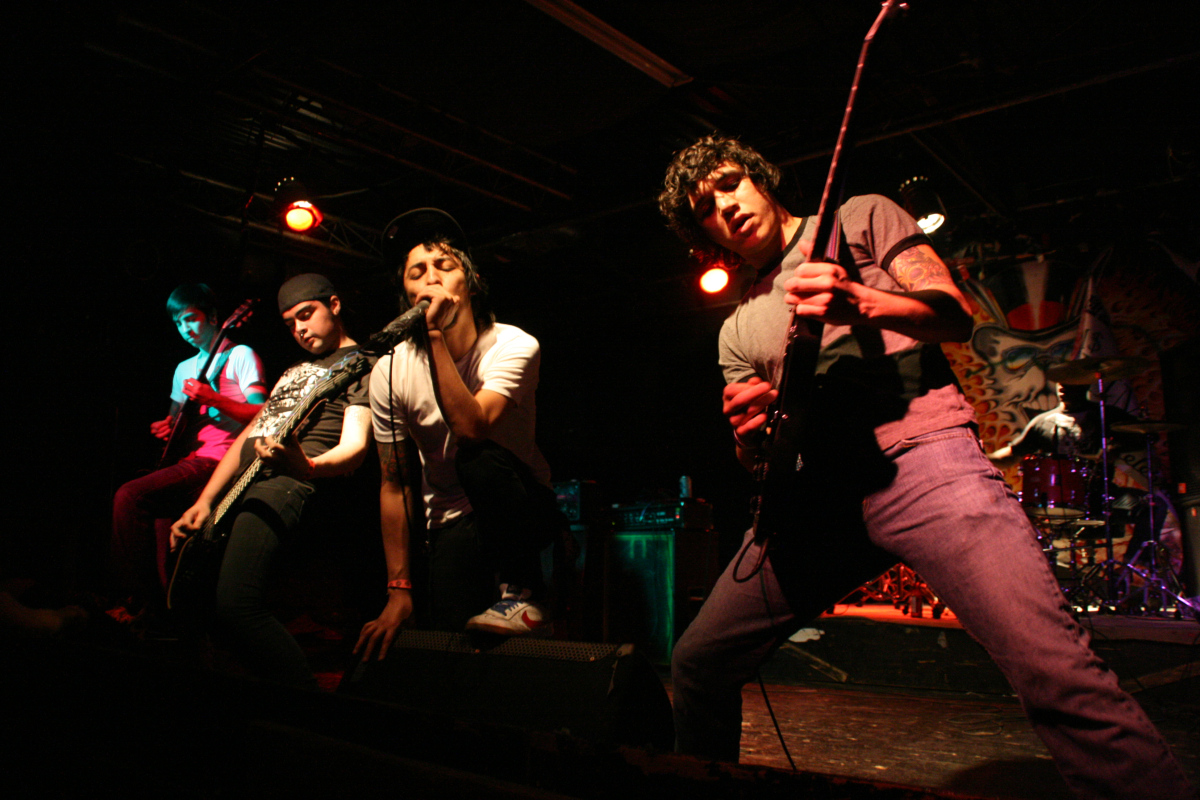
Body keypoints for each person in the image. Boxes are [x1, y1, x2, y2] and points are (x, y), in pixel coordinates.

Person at [658, 135, 1193, 800]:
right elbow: (760, 458)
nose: (727, 207)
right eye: (706, 209)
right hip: (817, 499)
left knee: (1053, 668)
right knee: (698, 662)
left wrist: (862, 302)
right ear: (704, 234)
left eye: (730, 183)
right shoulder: (735, 329)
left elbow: (954, 313)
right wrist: (750, 438)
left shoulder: (857, 217)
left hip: (924, 459)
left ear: (761, 179)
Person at [355, 208, 561, 661]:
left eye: (443, 266)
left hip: (522, 504)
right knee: (452, 647)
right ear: (407, 295)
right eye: (416, 272)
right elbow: (395, 482)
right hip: (450, 519)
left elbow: (471, 426)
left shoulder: (514, 344)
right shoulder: (390, 370)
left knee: (475, 456)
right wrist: (399, 588)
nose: (430, 277)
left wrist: (433, 336)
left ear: (471, 282)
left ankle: (526, 593)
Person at [171, 274, 374, 688]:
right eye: (289, 323)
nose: (299, 328)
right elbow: (249, 434)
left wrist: (308, 466)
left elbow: (356, 446)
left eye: (306, 314)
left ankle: (306, 706)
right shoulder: (294, 371)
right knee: (207, 610)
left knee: (238, 605)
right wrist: (205, 501)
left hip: (288, 484)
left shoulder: (362, 363)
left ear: (334, 305)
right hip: (243, 486)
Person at [109, 284, 266, 622]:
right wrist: (165, 427)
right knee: (163, 546)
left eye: (191, 318)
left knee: (129, 496)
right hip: (188, 461)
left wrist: (214, 399)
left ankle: (137, 599)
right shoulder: (183, 368)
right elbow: (175, 422)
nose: (185, 329)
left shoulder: (240, 355)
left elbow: (262, 413)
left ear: (213, 317)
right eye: (179, 323)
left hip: (219, 461)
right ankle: (160, 615)